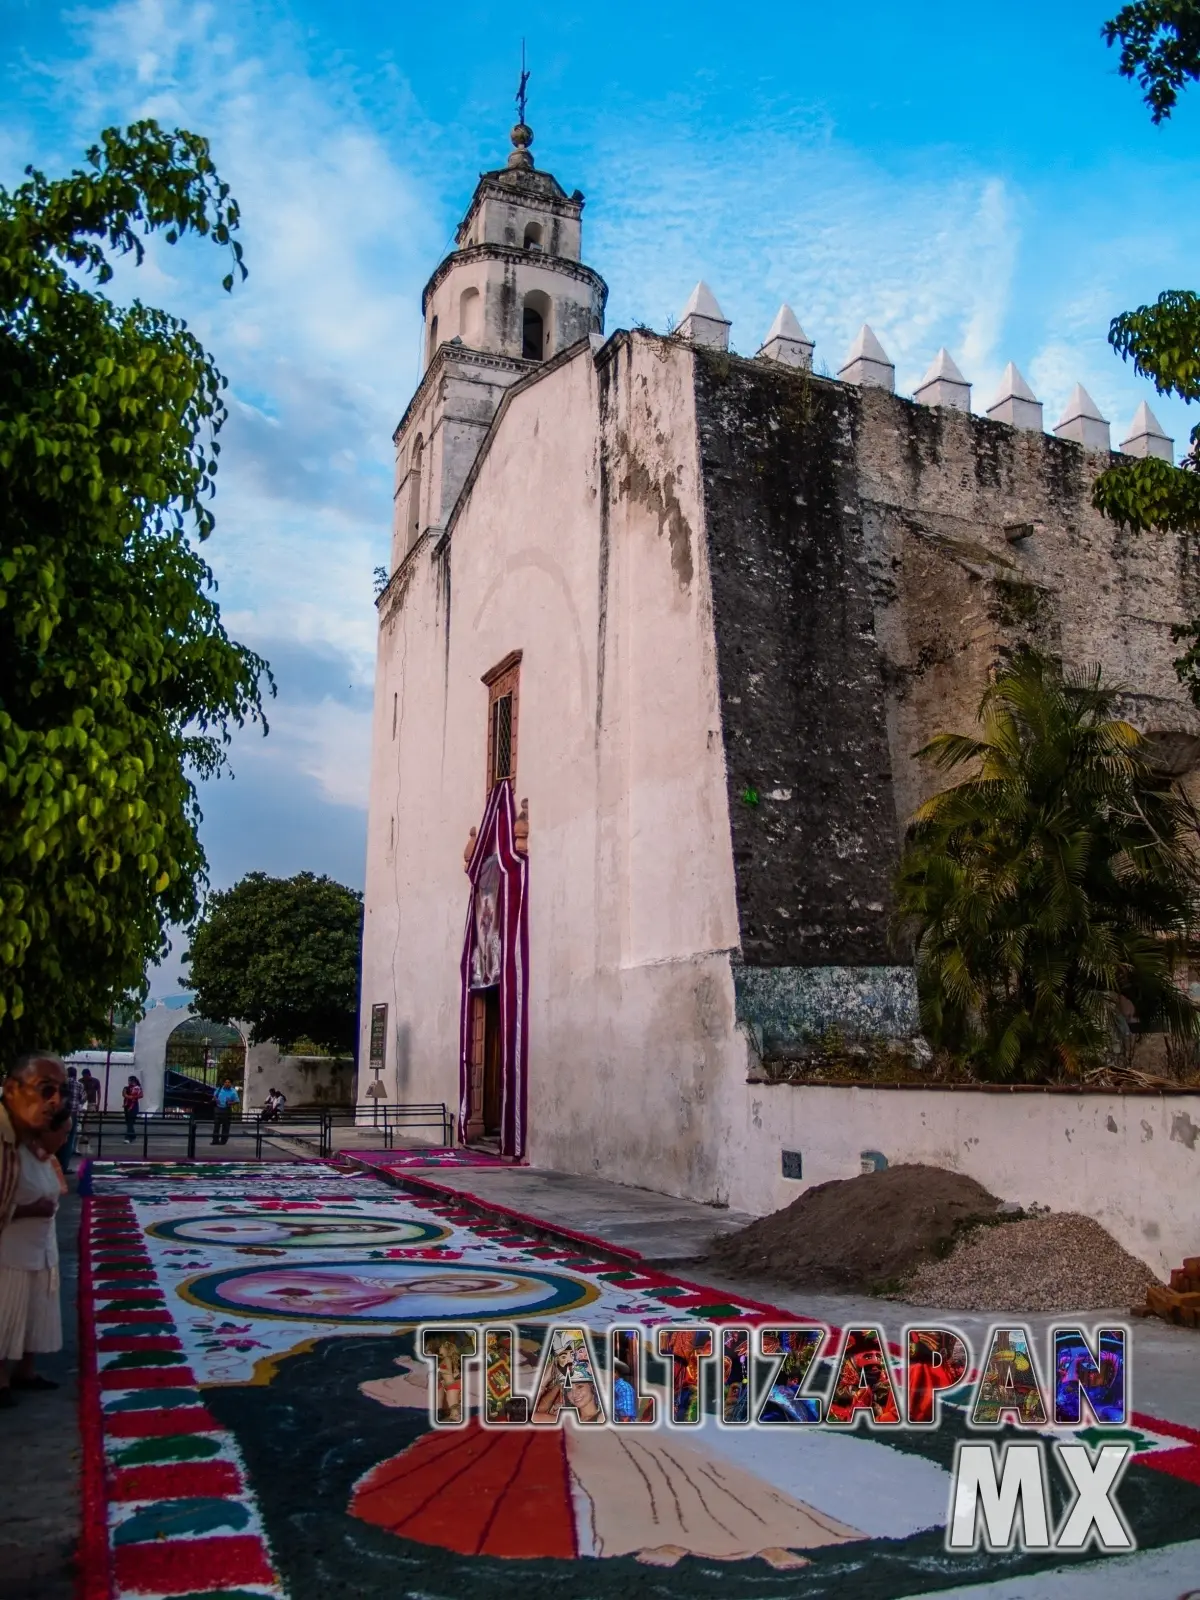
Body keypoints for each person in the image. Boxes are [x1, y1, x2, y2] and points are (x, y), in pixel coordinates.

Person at [0, 1055, 69, 1407]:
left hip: (40, 1247)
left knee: (34, 1309)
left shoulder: (31, 1143)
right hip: (10, 1250)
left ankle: (24, 1371)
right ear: (12, 1090)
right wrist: (26, 1209)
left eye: (60, 1092)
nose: (54, 1101)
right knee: (7, 1309)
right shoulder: (4, 1142)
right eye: (46, 1091)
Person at [60, 1065, 84, 1175]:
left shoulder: (63, 1083)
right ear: (76, 1074)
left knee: (60, 1138)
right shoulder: (79, 1085)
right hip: (73, 1113)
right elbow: (82, 1098)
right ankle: (64, 1166)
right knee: (70, 1140)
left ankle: (57, 1164)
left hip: (62, 1112)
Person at [212, 1077, 239, 1145]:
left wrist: (230, 1103)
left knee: (226, 1126)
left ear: (231, 1084)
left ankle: (223, 1141)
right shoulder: (219, 1089)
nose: (227, 1083)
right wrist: (216, 1099)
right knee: (216, 1125)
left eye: (229, 1082)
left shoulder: (233, 1091)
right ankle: (215, 1140)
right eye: (226, 1082)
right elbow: (214, 1096)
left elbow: (237, 1101)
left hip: (227, 1109)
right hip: (218, 1108)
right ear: (224, 1083)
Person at [121, 1075, 142, 1143]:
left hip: (134, 1107)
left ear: (133, 1081)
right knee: (128, 1122)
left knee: (130, 1122)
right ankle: (133, 1135)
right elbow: (124, 1094)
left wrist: (134, 1097)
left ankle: (128, 1137)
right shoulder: (126, 1088)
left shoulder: (137, 1088)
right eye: (129, 1080)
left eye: (130, 1080)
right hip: (127, 1106)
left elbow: (141, 1095)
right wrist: (129, 1096)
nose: (129, 1082)